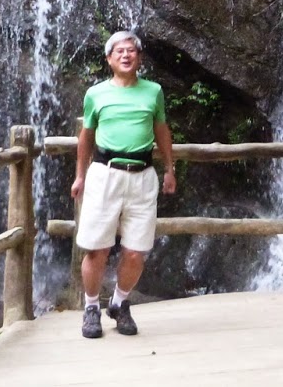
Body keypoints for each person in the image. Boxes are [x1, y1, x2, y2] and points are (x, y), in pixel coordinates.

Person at [70, 30, 176, 338]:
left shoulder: (153, 91)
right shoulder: (96, 94)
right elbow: (86, 136)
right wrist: (80, 175)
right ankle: (91, 307)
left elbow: (161, 130)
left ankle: (119, 303)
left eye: (131, 50)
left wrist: (170, 169)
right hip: (105, 173)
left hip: (143, 175)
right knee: (97, 249)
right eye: (119, 51)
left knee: (135, 251)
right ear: (109, 59)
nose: (126, 55)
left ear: (139, 57)